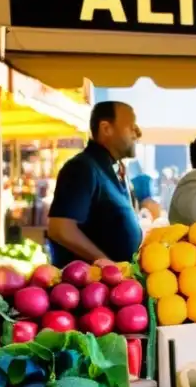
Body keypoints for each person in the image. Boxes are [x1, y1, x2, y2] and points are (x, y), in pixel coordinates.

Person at [47, 101, 143, 266]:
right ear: (106, 128)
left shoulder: (113, 168)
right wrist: (106, 263)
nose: (138, 133)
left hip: (117, 284)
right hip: (89, 286)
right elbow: (60, 229)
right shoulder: (82, 168)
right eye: (131, 126)